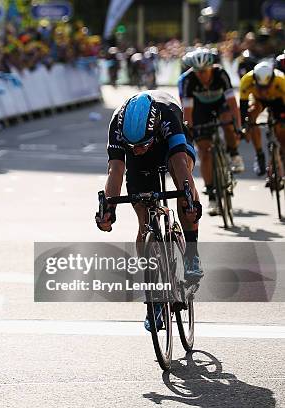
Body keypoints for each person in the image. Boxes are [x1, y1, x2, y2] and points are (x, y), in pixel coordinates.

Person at [95, 90, 203, 331]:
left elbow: (181, 167)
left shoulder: (166, 116)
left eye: (141, 144)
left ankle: (191, 254)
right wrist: (108, 210)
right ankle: (153, 296)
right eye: (133, 145)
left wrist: (190, 200)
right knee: (144, 220)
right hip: (139, 162)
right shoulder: (118, 124)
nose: (138, 149)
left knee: (182, 185)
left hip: (169, 148)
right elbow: (115, 171)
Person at [178, 47, 242, 216]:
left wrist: (238, 126)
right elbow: (188, 111)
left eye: (205, 71)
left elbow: (233, 103)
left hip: (220, 104)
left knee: (227, 121)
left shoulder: (221, 74)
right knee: (204, 152)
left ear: (211, 67)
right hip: (200, 110)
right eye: (198, 72)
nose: (202, 75)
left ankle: (234, 154)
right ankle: (212, 196)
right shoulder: (189, 80)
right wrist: (189, 132)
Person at [240, 61, 285, 183]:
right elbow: (243, 108)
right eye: (260, 87)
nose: (264, 91)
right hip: (259, 100)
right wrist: (245, 126)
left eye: (267, 87)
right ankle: (259, 154)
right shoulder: (246, 81)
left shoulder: (281, 80)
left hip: (278, 101)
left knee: (281, 128)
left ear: (272, 80)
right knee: (251, 116)